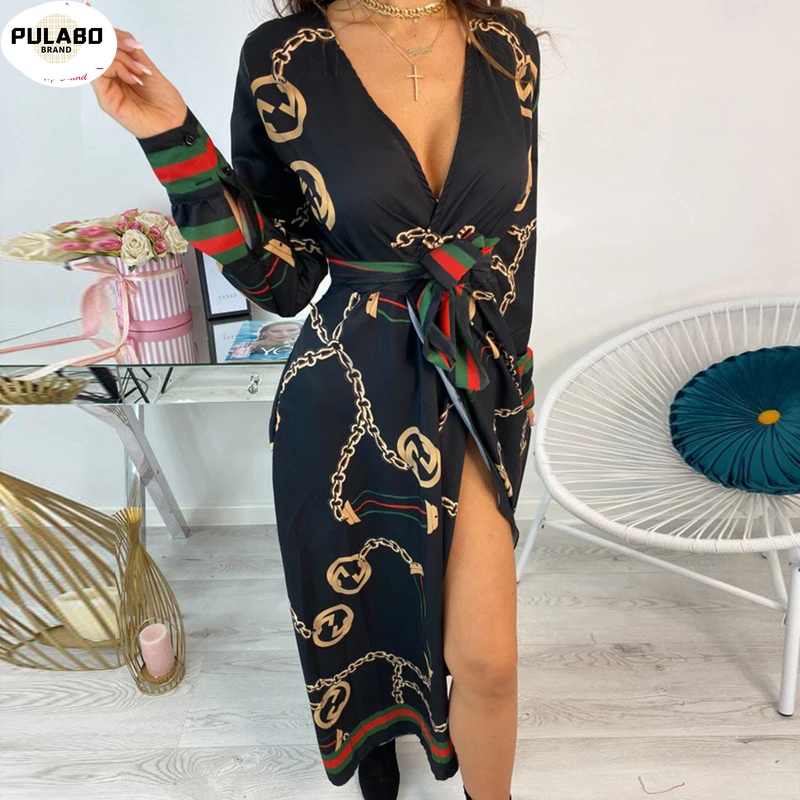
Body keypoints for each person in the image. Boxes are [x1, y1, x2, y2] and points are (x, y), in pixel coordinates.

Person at [90, 1, 541, 797]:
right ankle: (378, 735)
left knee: (488, 661)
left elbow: (517, 240)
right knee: (364, 608)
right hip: (347, 389)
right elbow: (284, 277)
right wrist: (171, 138)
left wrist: (506, 373)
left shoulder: (508, 43)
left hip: (471, 377)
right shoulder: (283, 56)